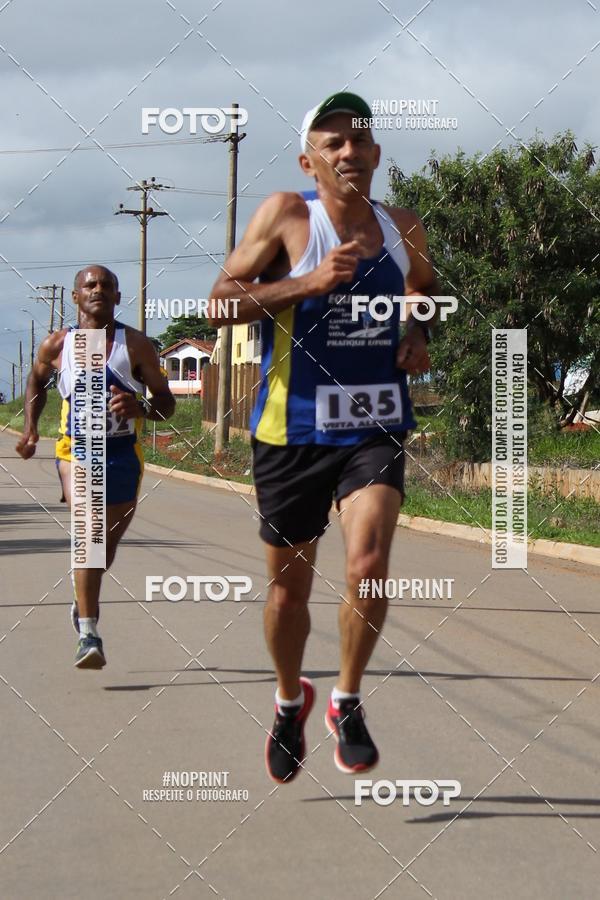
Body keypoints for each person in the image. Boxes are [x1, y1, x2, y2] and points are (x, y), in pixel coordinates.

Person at [209, 92, 438, 783]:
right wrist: (305, 283)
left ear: (375, 156)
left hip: (373, 422)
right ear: (310, 161)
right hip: (291, 431)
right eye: (332, 142)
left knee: (367, 563)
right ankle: (289, 700)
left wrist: (417, 332)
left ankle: (344, 698)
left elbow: (422, 289)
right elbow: (220, 302)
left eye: (359, 140)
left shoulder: (403, 228)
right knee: (288, 595)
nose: (348, 152)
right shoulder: (287, 217)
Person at [16, 265, 175, 669]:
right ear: (75, 297)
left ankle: (80, 600)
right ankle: (89, 632)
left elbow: (166, 402)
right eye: (89, 285)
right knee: (88, 530)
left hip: (124, 453)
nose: (98, 290)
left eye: (106, 285)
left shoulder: (135, 345)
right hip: (76, 450)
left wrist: (140, 407)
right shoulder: (57, 345)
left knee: (105, 545)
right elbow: (35, 383)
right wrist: (32, 428)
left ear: (118, 298)